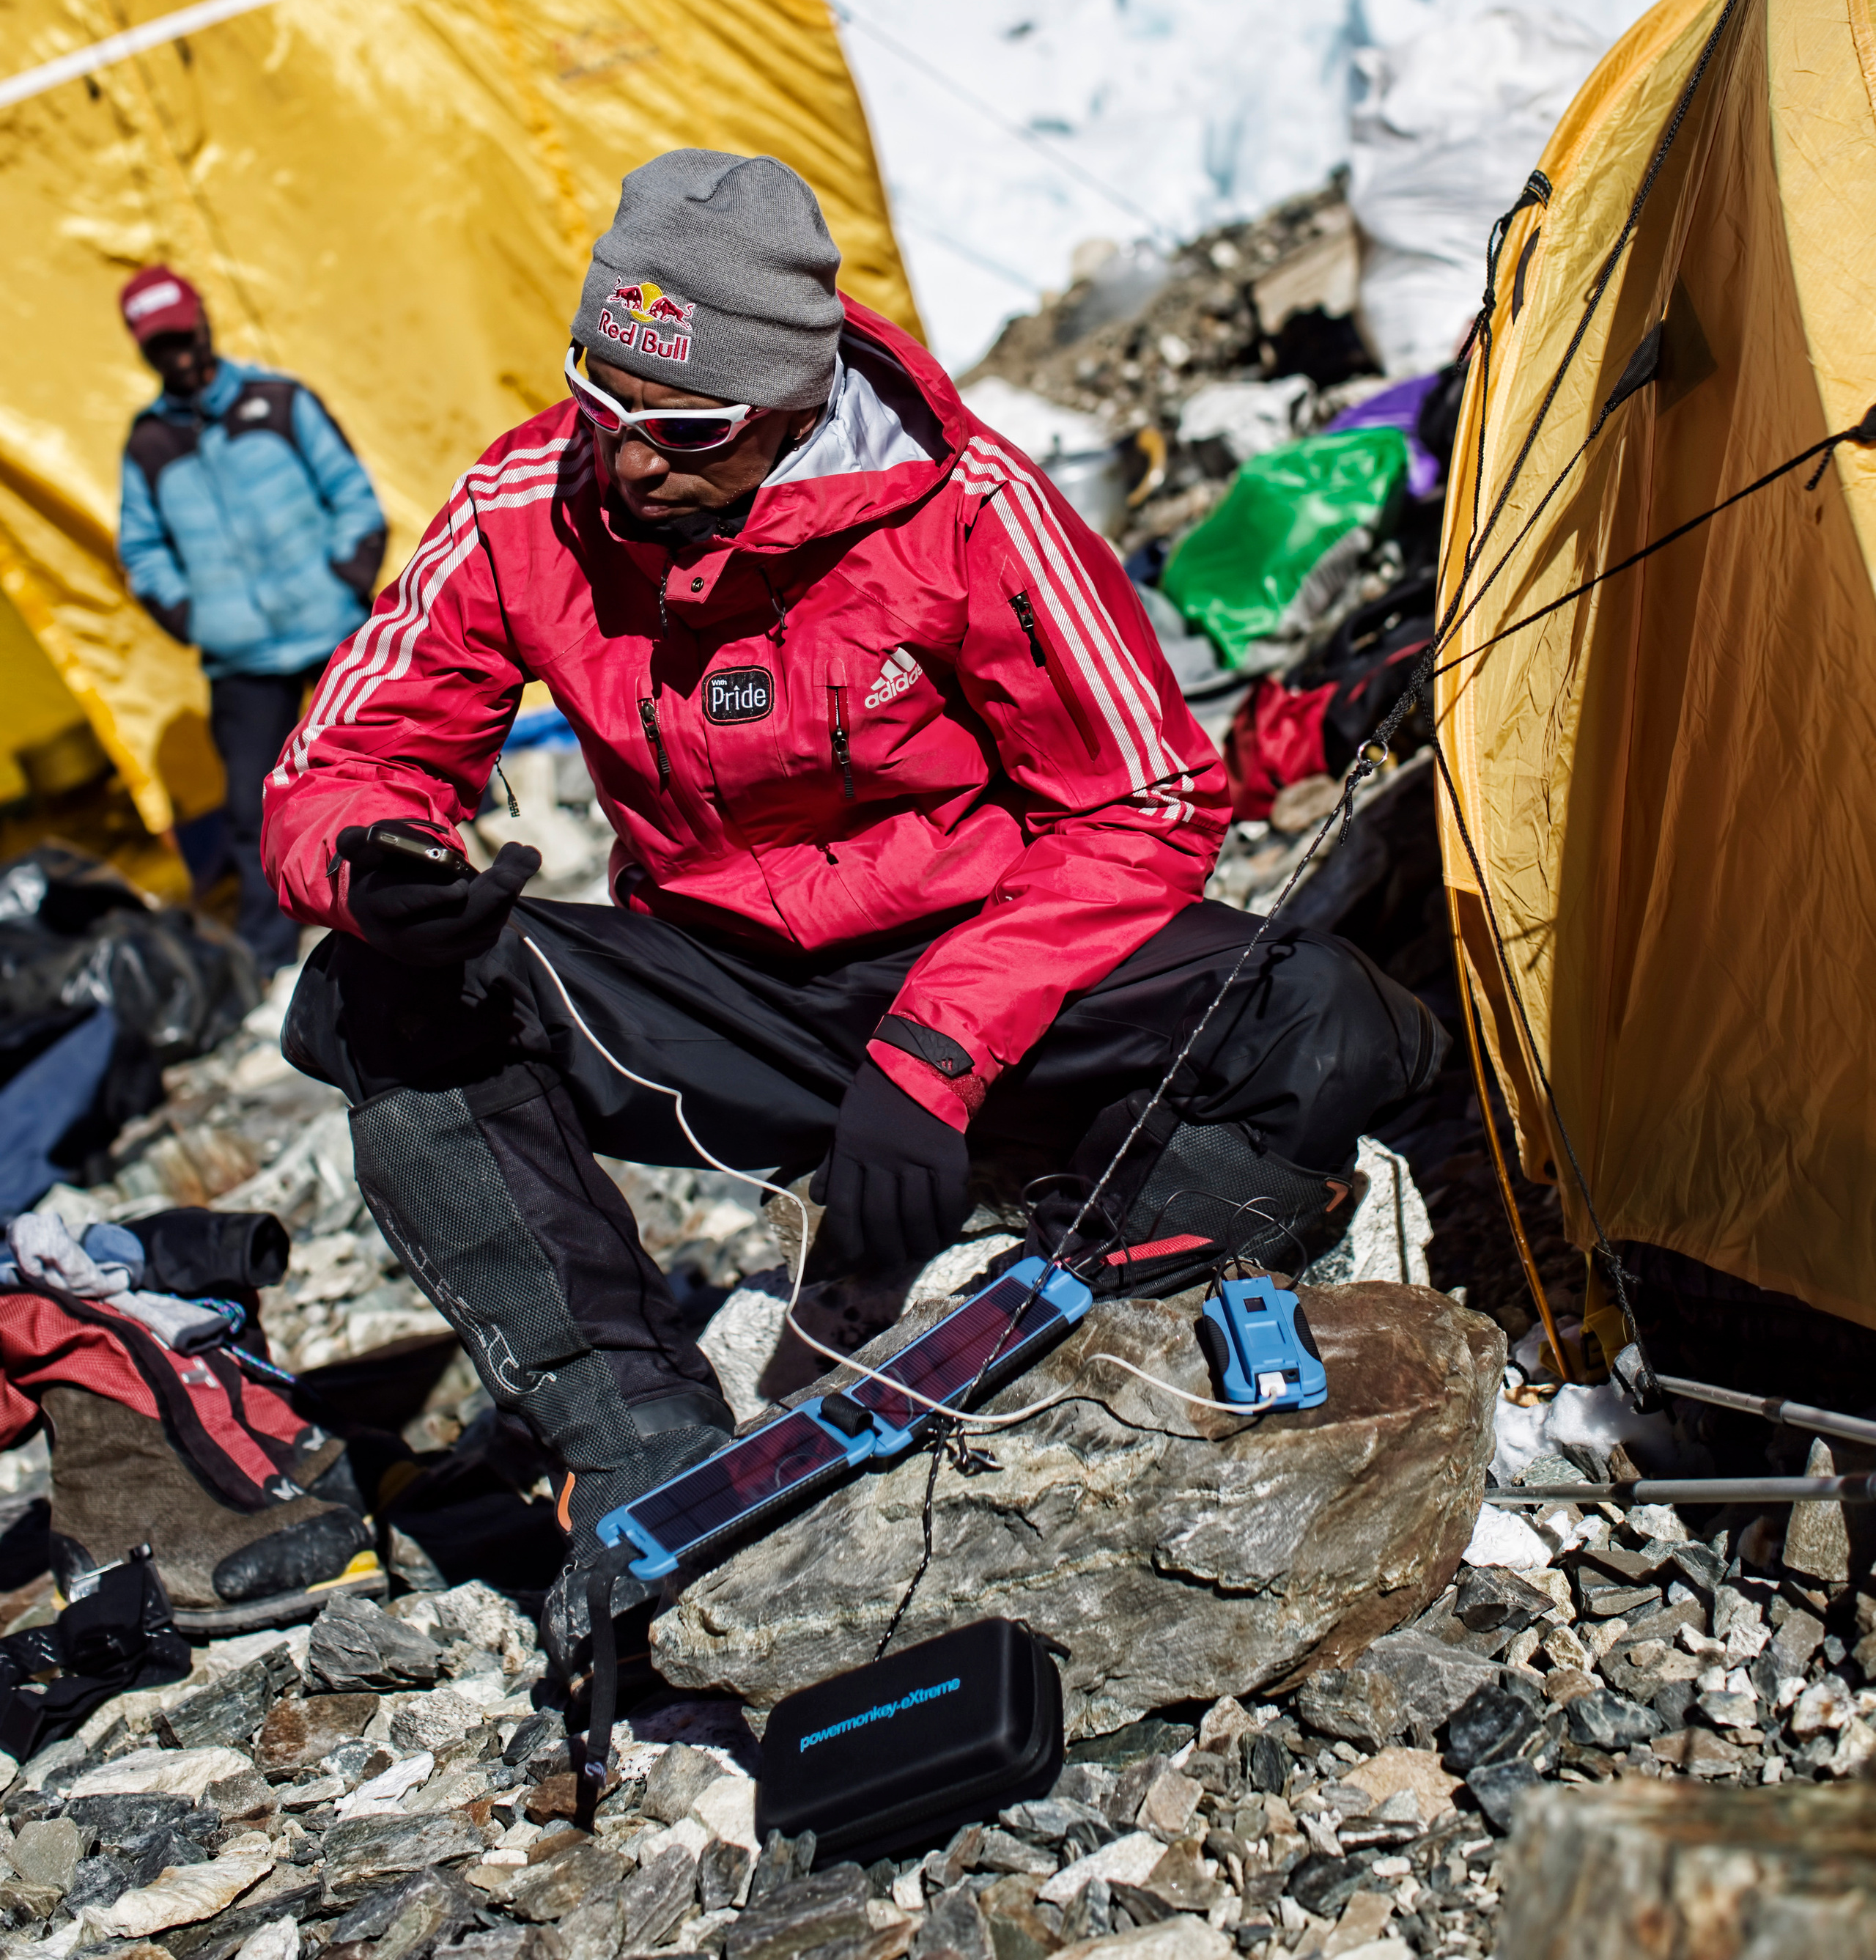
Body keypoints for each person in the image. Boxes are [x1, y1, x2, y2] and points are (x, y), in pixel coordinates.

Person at [262, 151, 1443, 1663]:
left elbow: (1147, 802)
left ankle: (1100, 1266)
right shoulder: (520, 502)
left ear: (789, 404)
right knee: (373, 994)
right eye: (601, 399)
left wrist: (933, 1051)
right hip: (718, 989)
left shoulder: (970, 509)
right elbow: (348, 756)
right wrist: (375, 863)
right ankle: (634, 1434)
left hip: (983, 972)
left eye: (683, 431)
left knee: (1318, 1015)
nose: (628, 461)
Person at [117, 267, 386, 976]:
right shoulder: (147, 446)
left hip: (327, 625)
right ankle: (269, 956)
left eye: (180, 334)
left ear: (203, 321)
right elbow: (141, 550)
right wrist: (194, 618)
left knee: (389, 756)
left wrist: (345, 580)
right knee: (251, 808)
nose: (175, 352)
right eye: (157, 345)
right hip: (239, 657)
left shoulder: (279, 400)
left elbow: (352, 494)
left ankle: (436, 885)